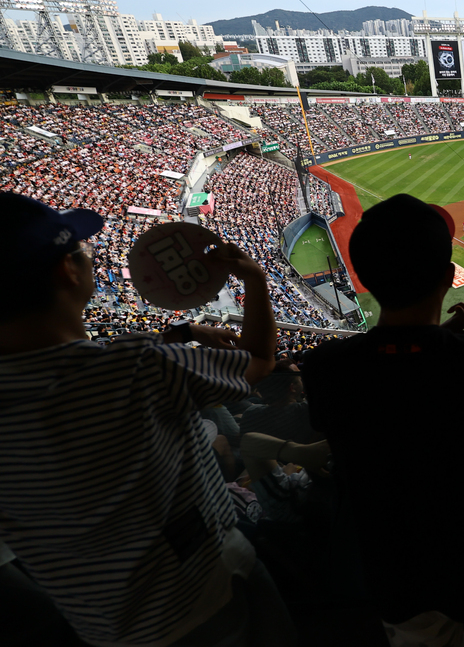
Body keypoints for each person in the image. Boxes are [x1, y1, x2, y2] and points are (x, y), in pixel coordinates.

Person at [0, 192, 294, 647]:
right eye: (80, 249)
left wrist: (175, 335)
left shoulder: (140, 364)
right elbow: (259, 359)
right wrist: (253, 279)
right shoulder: (144, 368)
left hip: (107, 631)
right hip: (214, 596)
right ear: (66, 269)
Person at [303, 193, 464, 647]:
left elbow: (396, 375)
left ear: (361, 276)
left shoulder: (327, 367)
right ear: (447, 278)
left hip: (394, 573)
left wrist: (441, 343)